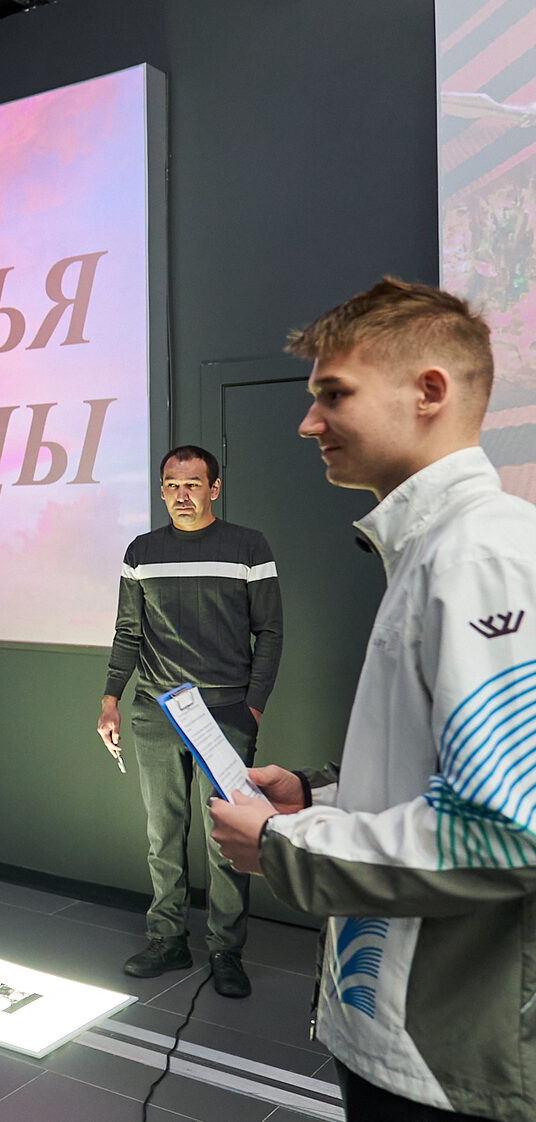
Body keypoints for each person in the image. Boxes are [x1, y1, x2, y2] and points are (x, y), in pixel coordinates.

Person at [209, 278, 536, 1121]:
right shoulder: (435, 550)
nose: (308, 423)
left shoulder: (479, 557)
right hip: (402, 1032)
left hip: (447, 1062)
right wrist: (317, 795)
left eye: (334, 394)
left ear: (429, 391)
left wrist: (285, 844)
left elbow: (509, 831)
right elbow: (447, 771)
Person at [96, 444, 282, 998]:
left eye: (193, 484)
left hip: (225, 715)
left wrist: (252, 707)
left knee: (227, 836)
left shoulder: (248, 546)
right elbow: (128, 631)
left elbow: (270, 632)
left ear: (214, 489)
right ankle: (167, 939)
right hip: (155, 711)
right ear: (161, 490)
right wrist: (110, 698)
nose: (182, 495)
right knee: (163, 834)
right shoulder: (141, 552)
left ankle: (226, 950)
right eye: (172, 485)